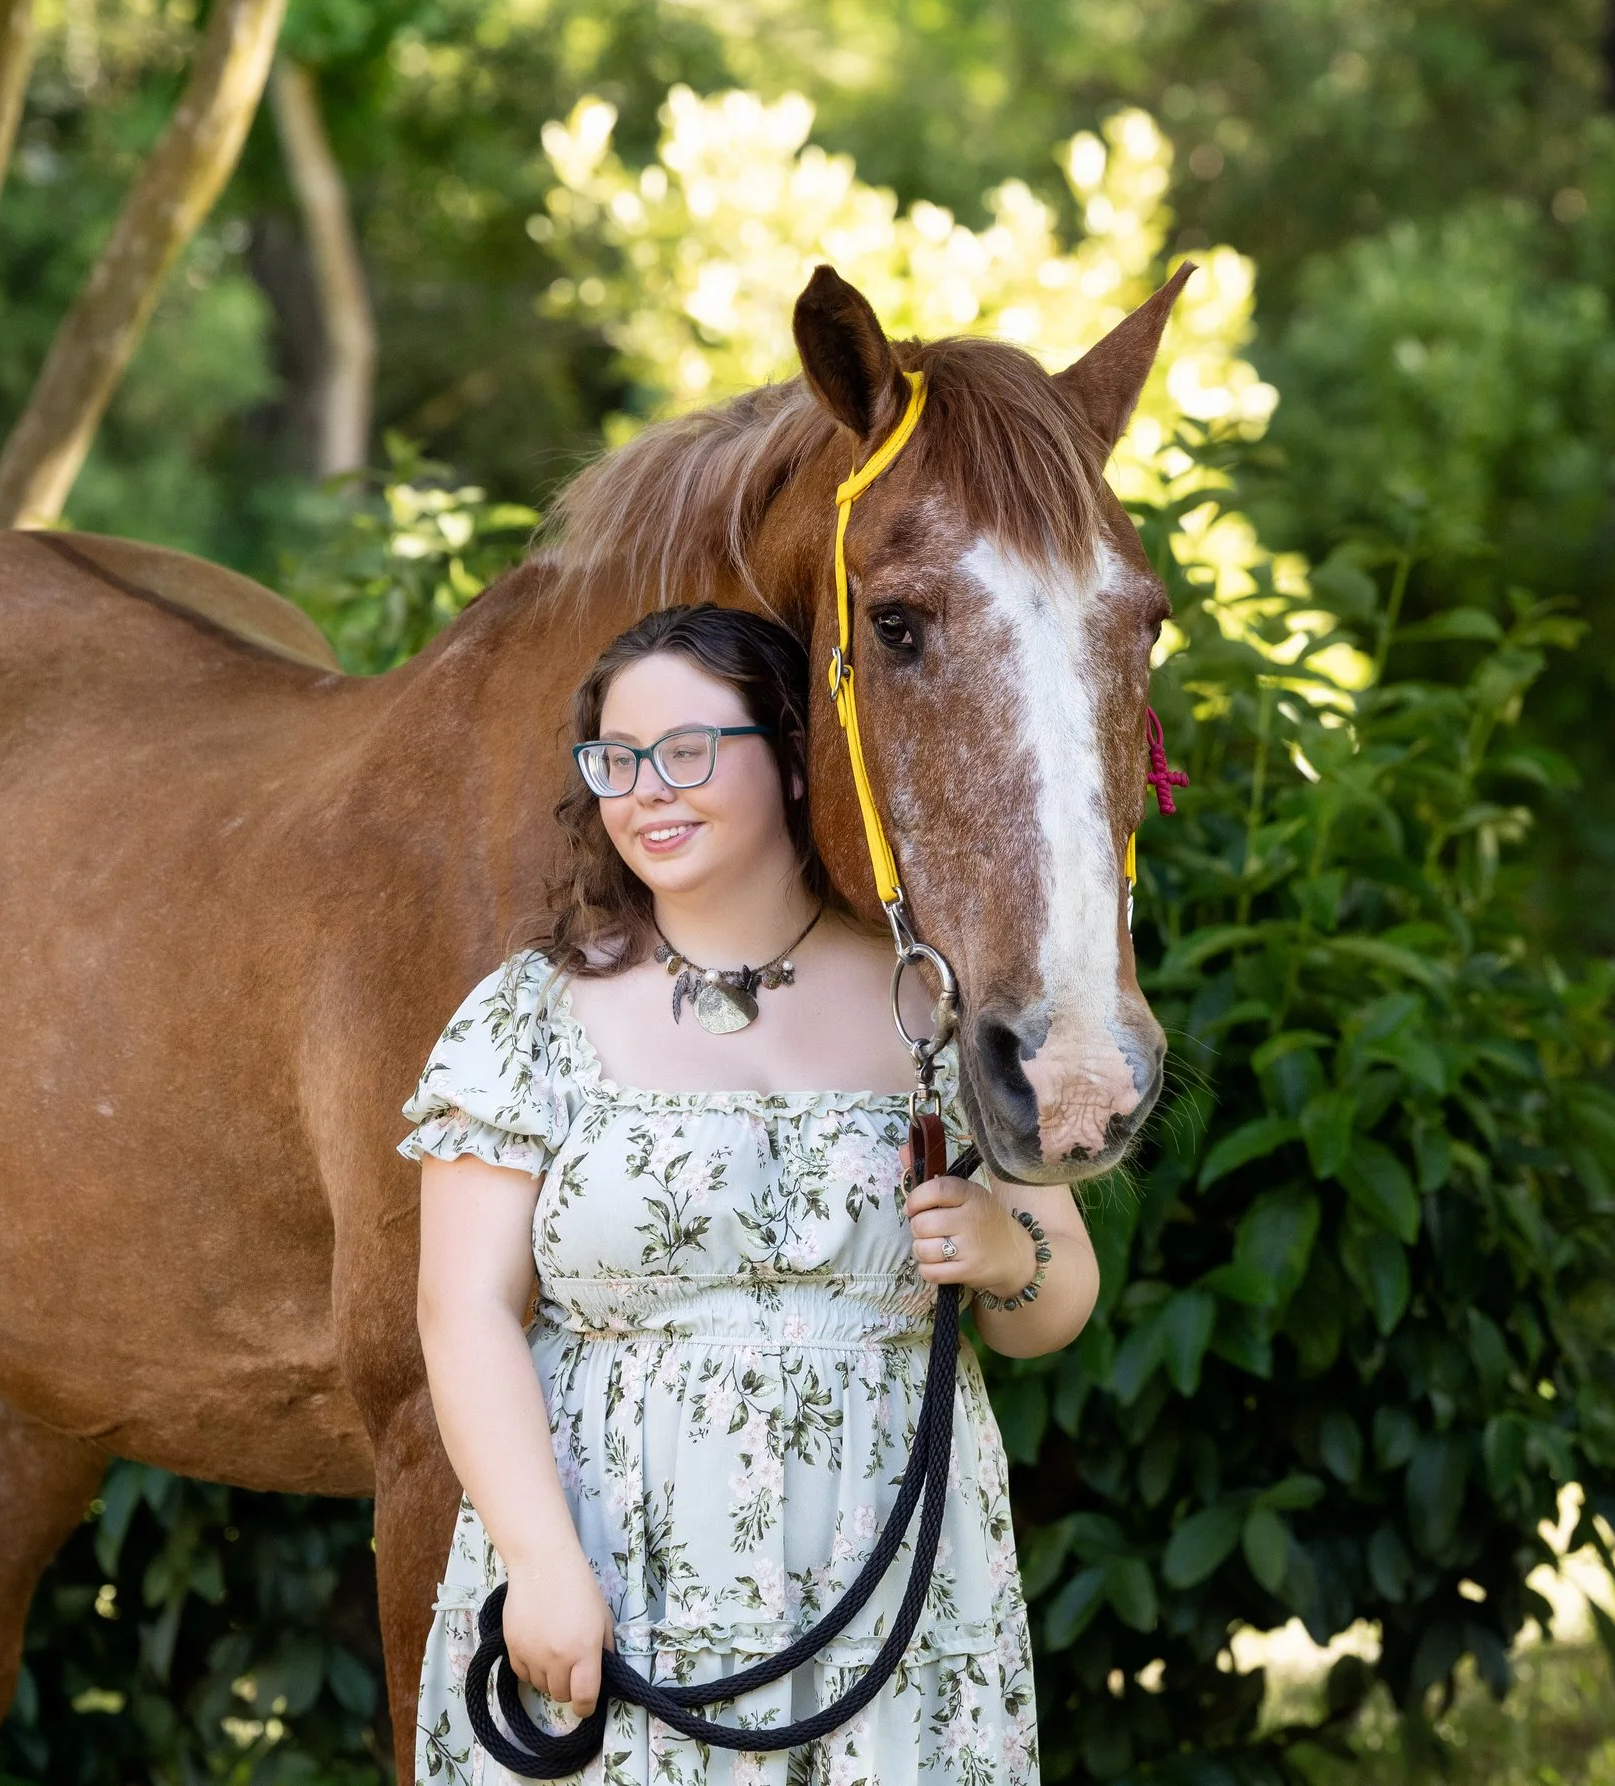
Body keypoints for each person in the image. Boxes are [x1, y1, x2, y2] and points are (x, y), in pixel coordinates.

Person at [402, 602, 1101, 1784]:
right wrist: (539, 1561)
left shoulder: (929, 1001)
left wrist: (999, 1248)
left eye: (686, 752)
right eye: (614, 761)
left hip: (887, 1566)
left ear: (788, 758)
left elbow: (1053, 1302)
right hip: (616, 1557)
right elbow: (459, 1309)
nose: (645, 792)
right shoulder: (529, 1017)